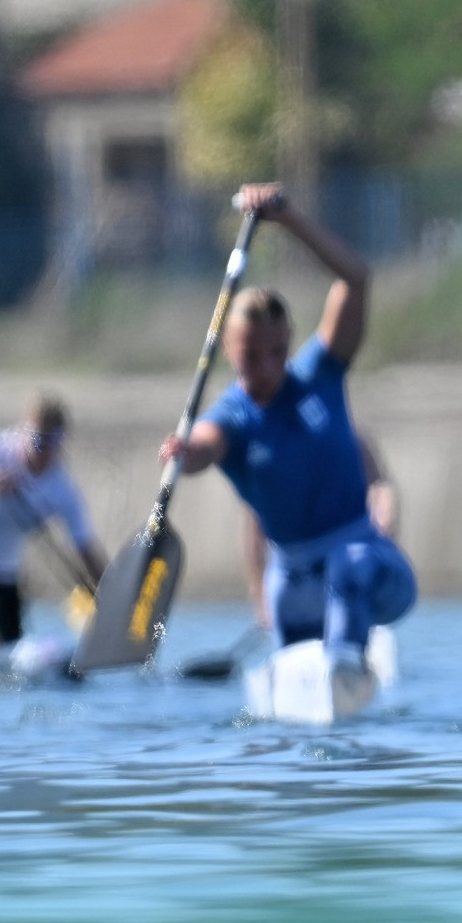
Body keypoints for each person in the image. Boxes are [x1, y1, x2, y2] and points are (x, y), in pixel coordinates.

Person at [161, 183, 415, 684]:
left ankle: (344, 661)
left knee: (350, 564)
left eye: (276, 351)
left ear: (288, 344)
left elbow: (356, 278)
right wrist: (184, 454)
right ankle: (317, 675)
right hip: (293, 577)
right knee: (281, 594)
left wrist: (290, 219)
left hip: (371, 565)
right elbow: (205, 448)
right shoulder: (229, 417)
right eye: (251, 353)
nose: (267, 364)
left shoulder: (320, 371)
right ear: (230, 351)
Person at [0, 393, 106, 646]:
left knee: (13, 641)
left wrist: (114, 593)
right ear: (23, 432)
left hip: (5, 582)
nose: (45, 450)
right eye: (38, 440)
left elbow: (84, 548)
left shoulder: (62, 487)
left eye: (54, 441)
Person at [237, 436, 398, 628]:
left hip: (346, 570)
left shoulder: (349, 439)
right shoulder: (271, 453)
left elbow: (381, 490)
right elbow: (255, 531)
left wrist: (380, 533)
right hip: (297, 580)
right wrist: (261, 598)